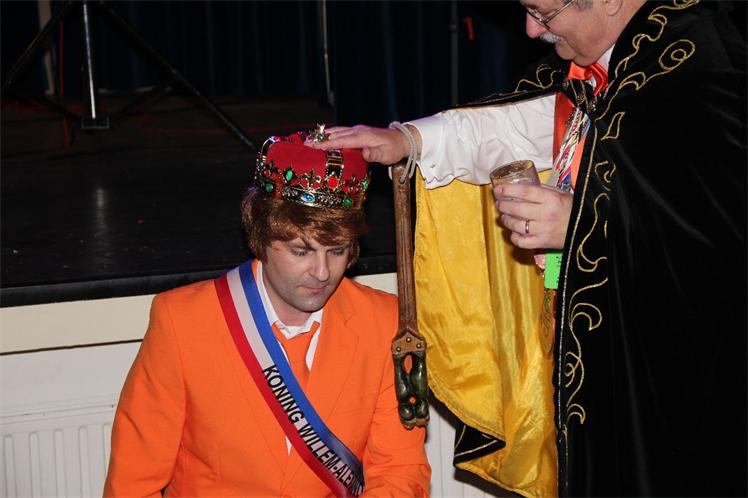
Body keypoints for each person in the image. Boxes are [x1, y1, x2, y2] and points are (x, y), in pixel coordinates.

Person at [316, 0, 746, 496]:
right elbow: (524, 124)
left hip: (685, 380)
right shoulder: (608, 66)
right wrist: (408, 141)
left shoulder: (710, 66)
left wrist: (581, 222)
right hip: (607, 356)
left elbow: (719, 231)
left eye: (543, 12)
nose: (530, 29)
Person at [104, 131, 431, 497]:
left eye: (337, 251)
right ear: (260, 239)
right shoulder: (182, 322)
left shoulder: (384, 322)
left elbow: (399, 472)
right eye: (300, 251)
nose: (321, 272)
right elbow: (133, 483)